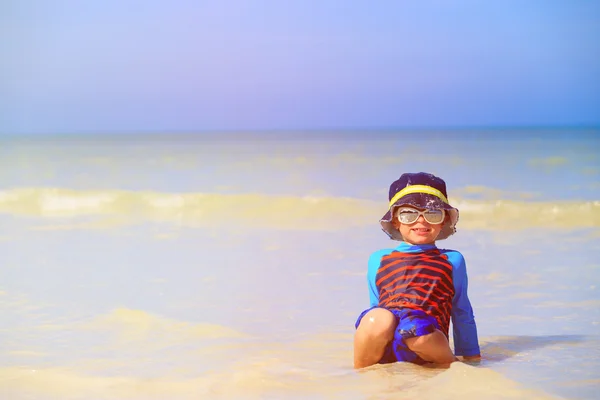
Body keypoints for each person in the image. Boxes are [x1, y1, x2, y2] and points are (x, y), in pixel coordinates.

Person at [353, 172, 481, 368]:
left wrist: (471, 357)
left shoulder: (451, 260)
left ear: (444, 220)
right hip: (387, 345)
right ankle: (364, 373)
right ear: (395, 220)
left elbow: (461, 310)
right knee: (376, 318)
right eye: (408, 214)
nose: (421, 221)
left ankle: (451, 365)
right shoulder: (378, 259)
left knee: (415, 328)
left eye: (432, 213)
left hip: (428, 340)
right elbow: (375, 304)